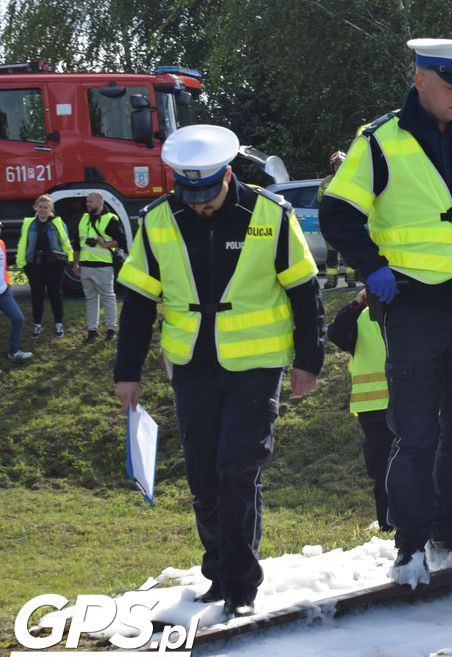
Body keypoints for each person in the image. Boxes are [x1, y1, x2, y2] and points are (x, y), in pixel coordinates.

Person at [319, 38, 452, 588]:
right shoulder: (379, 141)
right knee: (414, 432)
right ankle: (409, 546)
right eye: (451, 85)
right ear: (421, 81)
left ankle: (449, 534)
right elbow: (338, 215)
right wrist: (371, 267)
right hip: (409, 303)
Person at [114, 124, 324, 618]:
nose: (199, 204)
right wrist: (127, 372)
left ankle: (240, 584)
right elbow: (139, 303)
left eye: (207, 193)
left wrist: (308, 362)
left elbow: (305, 291)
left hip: (255, 365)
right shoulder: (159, 220)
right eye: (189, 193)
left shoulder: (270, 216)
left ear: (228, 175)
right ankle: (218, 572)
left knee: (238, 470)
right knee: (204, 479)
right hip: (191, 365)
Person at [326, 288, 393, 532]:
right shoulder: (361, 316)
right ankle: (388, 524)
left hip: (407, 402)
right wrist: (356, 304)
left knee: (415, 463)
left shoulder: (409, 312)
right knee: (383, 470)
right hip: (374, 408)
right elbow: (336, 334)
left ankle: (417, 520)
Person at [15, 194, 73, 339]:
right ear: (35, 207)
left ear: (50, 209)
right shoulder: (28, 223)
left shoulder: (58, 223)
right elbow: (23, 243)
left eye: (45, 207)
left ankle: (58, 323)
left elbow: (65, 242)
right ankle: (37, 324)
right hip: (34, 265)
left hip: (54, 265)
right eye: (40, 207)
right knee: (37, 295)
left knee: (55, 294)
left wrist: (68, 260)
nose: (42, 210)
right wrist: (24, 263)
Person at [71, 192, 125, 343]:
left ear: (100, 202)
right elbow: (77, 244)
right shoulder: (83, 219)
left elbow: (121, 240)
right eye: (87, 201)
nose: (88, 204)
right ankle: (92, 331)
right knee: (91, 300)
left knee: (108, 298)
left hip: (103, 266)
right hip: (86, 266)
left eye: (91, 201)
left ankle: (111, 330)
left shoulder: (110, 219)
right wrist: (75, 263)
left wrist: (105, 244)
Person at [317, 150, 354, 289]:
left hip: (348, 222)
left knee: (349, 252)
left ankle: (351, 280)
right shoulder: (325, 182)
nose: (339, 167)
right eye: (336, 164)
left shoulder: (352, 180)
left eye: (341, 164)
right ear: (332, 166)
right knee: (332, 255)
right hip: (331, 223)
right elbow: (320, 202)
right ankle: (331, 281)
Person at [1, 238, 33, 361]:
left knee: (18, 319)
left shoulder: (2, 243)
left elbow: (3, 267)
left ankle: (14, 352)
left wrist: (7, 283)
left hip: (4, 291)